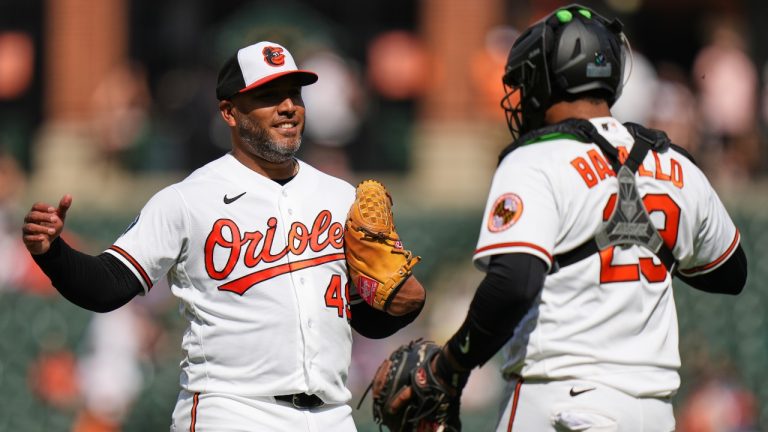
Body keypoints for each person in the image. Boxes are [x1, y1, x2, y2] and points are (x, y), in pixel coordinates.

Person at [22, 41, 426, 431]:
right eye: (269, 96)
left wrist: (400, 305)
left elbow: (366, 320)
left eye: (294, 95)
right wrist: (53, 252)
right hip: (232, 412)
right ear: (230, 112)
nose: (288, 107)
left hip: (330, 415)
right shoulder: (187, 200)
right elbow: (105, 286)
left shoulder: (340, 197)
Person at [391, 5, 747, 431]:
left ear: (548, 80)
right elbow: (732, 272)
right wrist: (640, 242)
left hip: (559, 402)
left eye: (527, 79)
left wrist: (449, 366)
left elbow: (513, 283)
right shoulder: (677, 164)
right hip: (651, 411)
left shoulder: (536, 158)